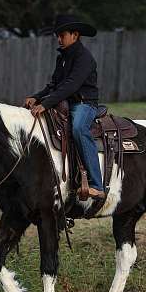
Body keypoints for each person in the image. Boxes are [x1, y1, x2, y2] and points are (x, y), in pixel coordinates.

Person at [24, 14, 104, 200]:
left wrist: (45, 104)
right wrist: (36, 97)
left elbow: (71, 86)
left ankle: (96, 184)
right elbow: (54, 85)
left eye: (62, 35)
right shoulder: (63, 57)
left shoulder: (84, 58)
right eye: (57, 35)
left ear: (74, 35)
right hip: (66, 102)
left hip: (84, 104)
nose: (59, 39)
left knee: (78, 128)